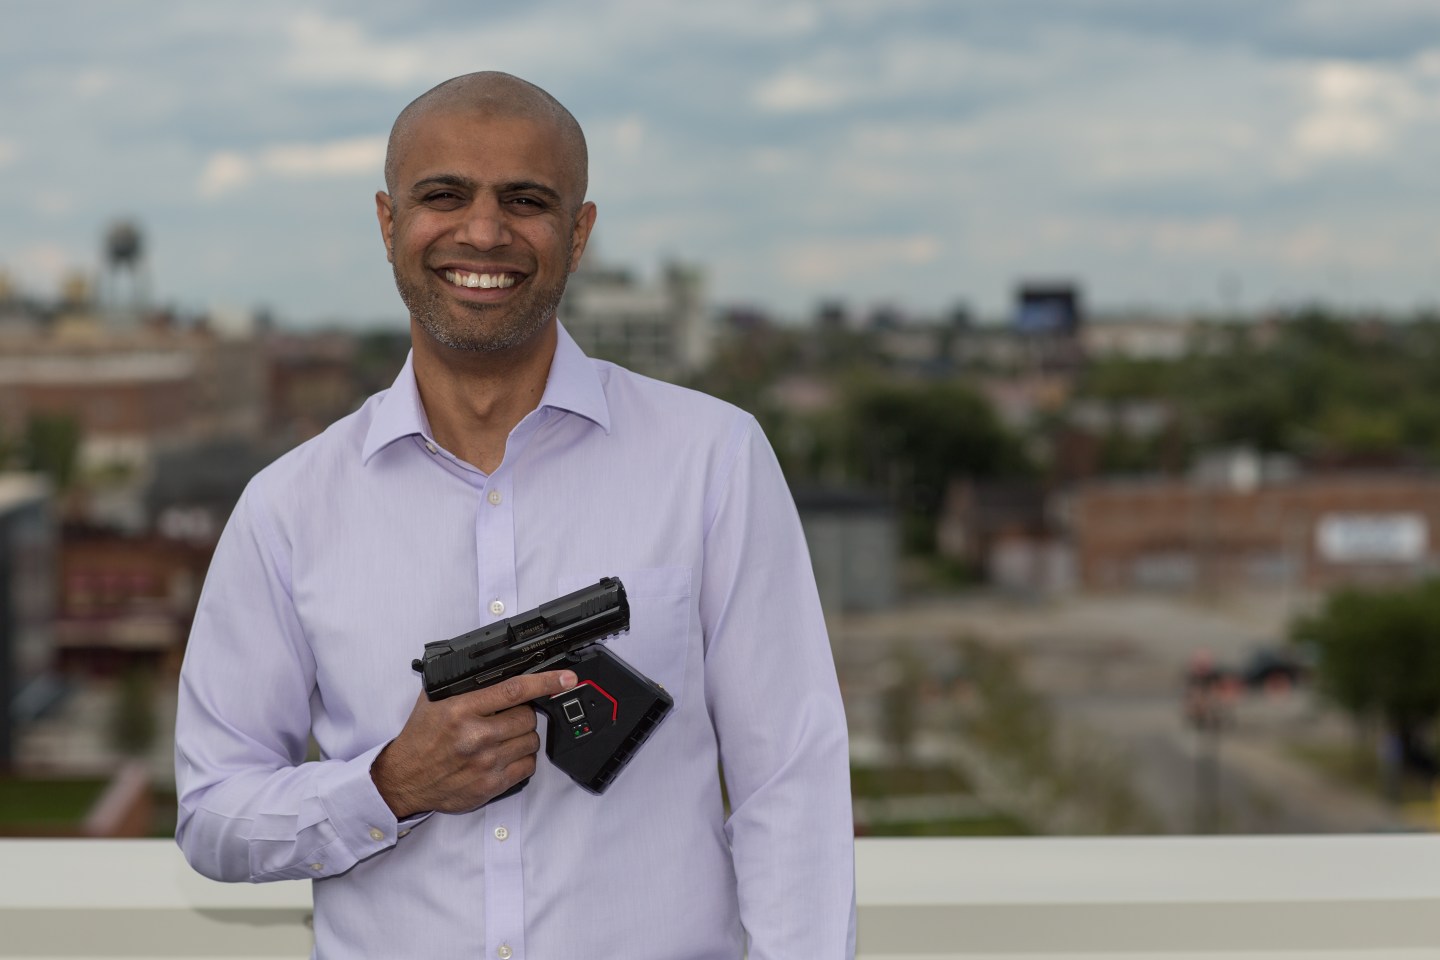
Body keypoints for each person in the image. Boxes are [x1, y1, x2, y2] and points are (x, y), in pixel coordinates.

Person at [174, 71, 856, 959]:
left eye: (526, 201)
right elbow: (211, 813)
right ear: (388, 222)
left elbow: (791, 780)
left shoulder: (712, 459)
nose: (484, 232)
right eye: (443, 196)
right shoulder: (288, 507)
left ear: (579, 233)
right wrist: (390, 786)